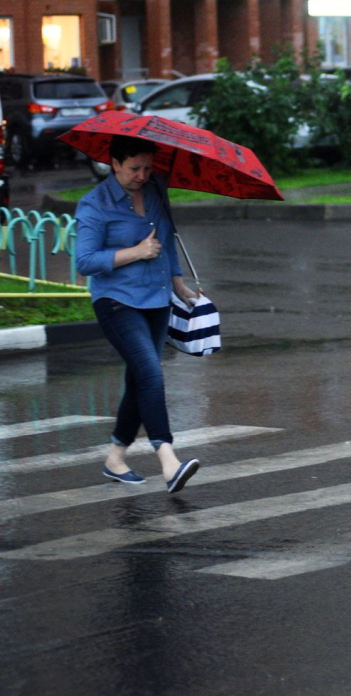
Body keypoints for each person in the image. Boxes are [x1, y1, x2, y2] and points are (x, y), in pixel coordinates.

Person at [75, 136, 201, 494]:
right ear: (114, 164)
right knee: (150, 372)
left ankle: (115, 458)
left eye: (148, 167)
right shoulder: (94, 204)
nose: (142, 175)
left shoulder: (157, 188)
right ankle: (168, 459)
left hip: (157, 300)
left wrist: (180, 287)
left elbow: (166, 240)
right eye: (134, 168)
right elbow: (85, 262)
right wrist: (135, 252)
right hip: (117, 301)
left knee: (139, 380)